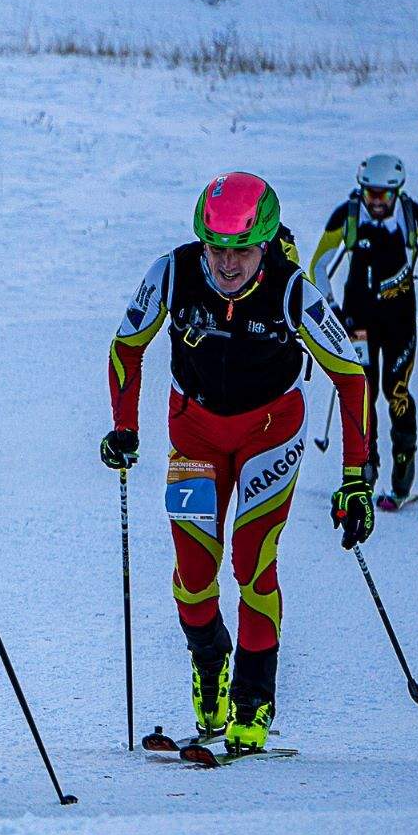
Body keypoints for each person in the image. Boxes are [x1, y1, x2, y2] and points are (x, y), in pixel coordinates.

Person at [103, 171, 372, 753]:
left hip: (270, 433)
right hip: (193, 435)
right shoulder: (172, 272)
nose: (227, 265)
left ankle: (253, 697)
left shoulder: (291, 288)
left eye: (242, 251)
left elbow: (351, 377)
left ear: (266, 245)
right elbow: (127, 346)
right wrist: (125, 428)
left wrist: (356, 478)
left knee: (252, 561)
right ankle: (209, 664)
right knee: (194, 574)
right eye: (217, 249)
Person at [309, 153, 418, 509]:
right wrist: (331, 310)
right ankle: (364, 470)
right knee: (362, 392)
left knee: (397, 392)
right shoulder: (347, 217)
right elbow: (318, 266)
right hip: (357, 322)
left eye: (383, 195)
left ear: (396, 192)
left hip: (400, 321)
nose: (376, 202)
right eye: (370, 193)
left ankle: (402, 481)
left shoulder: (411, 217)